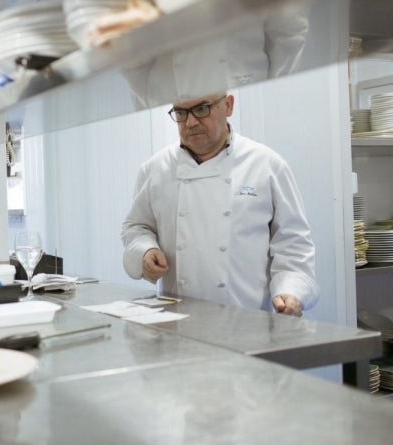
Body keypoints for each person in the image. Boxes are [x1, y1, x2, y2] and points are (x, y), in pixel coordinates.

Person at [120, 92, 319, 316]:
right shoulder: (155, 169)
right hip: (176, 326)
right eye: (181, 112)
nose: (191, 122)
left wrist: (290, 290)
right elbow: (136, 227)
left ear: (228, 105)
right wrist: (146, 250)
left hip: (248, 325)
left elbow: (293, 243)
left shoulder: (267, 165)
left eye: (202, 109)